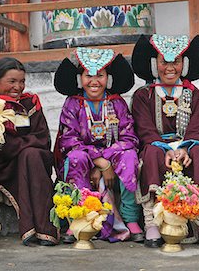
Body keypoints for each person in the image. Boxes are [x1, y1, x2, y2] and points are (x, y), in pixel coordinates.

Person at [131, 34, 199, 248]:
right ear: (155, 64)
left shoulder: (194, 94)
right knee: (152, 153)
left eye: (176, 62)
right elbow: (144, 128)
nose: (170, 68)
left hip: (187, 145)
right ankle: (152, 223)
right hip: (156, 145)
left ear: (185, 64)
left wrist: (185, 147)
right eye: (164, 62)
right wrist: (164, 148)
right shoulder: (143, 96)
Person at [54, 47, 144, 243]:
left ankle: (130, 219)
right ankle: (79, 217)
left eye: (100, 75)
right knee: (75, 158)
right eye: (88, 75)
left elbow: (129, 138)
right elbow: (68, 140)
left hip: (113, 155)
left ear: (108, 78)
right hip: (84, 156)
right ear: (80, 78)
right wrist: (100, 162)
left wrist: (107, 160)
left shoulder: (117, 103)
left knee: (129, 157)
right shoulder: (72, 104)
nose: (94, 81)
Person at [0, 57, 58, 246]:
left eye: (22, 81)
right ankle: (32, 228)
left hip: (30, 164)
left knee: (31, 155)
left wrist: (18, 145)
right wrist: (25, 145)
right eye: (12, 81)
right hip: (0, 166)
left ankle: (44, 230)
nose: (18, 87)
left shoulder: (30, 104)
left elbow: (43, 138)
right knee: (29, 153)